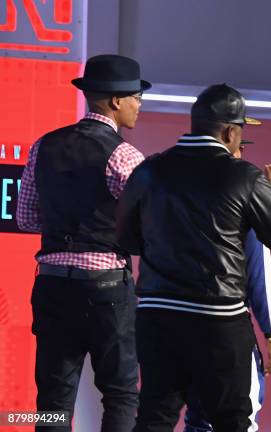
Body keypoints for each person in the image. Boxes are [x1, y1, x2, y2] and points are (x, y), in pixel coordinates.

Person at [116, 83, 271, 431]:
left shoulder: (152, 169)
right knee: (230, 420)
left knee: (155, 417)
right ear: (230, 131)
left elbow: (124, 235)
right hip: (218, 320)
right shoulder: (244, 176)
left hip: (158, 314)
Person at [16, 54, 150, 431]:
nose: (139, 105)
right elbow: (145, 228)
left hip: (52, 284)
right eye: (136, 97)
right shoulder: (124, 156)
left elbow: (26, 219)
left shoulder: (44, 145)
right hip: (106, 288)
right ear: (115, 101)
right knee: (121, 392)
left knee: (53, 400)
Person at [183, 142, 271, 432]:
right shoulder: (246, 194)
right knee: (243, 417)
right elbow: (259, 274)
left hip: (174, 323)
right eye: (237, 145)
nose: (240, 154)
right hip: (226, 326)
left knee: (197, 419)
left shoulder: (181, 190)